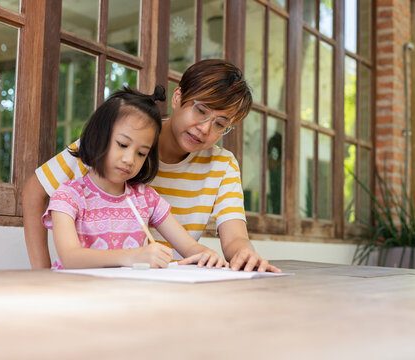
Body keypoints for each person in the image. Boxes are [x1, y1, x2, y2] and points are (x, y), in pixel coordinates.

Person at [23, 59, 281, 273]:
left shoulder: (221, 165)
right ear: (178, 97)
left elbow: (234, 238)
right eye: (201, 110)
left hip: (168, 286)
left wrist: (245, 253)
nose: (205, 129)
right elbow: (35, 191)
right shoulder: (124, 135)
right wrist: (42, 274)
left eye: (220, 124)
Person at [42, 85, 227, 269]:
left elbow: (190, 247)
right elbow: (70, 258)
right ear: (97, 136)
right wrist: (132, 256)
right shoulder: (69, 196)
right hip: (77, 293)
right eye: (122, 144)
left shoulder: (145, 198)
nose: (130, 160)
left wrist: (206, 254)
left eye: (141, 153)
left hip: (128, 295)